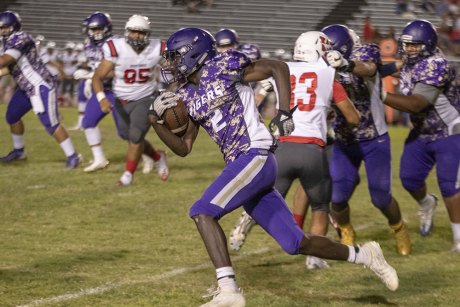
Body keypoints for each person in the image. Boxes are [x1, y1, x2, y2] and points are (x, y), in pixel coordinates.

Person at [149, 27, 398, 306]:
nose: (170, 63)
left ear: (192, 52)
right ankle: (365, 255)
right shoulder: (187, 94)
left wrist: (283, 112)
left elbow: (277, 67)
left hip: (254, 154)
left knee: (202, 211)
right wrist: (155, 122)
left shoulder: (221, 65)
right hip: (242, 163)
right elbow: (183, 148)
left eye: (174, 56)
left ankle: (229, 290)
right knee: (296, 244)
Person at [322, 24, 411, 255]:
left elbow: (369, 69)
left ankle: (399, 227)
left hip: (374, 138)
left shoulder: (364, 53)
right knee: (337, 197)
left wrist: (346, 64)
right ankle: (346, 230)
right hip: (344, 138)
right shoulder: (319, 63)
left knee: (380, 197)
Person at [381, 19, 460, 251]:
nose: (409, 49)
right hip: (421, 133)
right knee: (410, 179)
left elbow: (416, 104)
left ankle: (458, 239)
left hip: (448, 132)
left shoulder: (436, 64)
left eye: (414, 45)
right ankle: (427, 203)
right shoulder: (408, 61)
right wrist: (349, 67)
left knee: (449, 185)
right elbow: (380, 68)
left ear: (428, 44)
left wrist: (380, 95)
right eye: (406, 44)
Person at [92, 14, 168, 185]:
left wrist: (170, 88)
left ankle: (128, 175)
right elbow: (97, 78)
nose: (136, 35)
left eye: (140, 32)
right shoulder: (116, 47)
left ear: (147, 34)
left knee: (135, 137)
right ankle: (158, 156)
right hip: (120, 100)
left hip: (146, 97)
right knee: (131, 137)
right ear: (127, 32)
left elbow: (173, 70)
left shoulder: (158, 47)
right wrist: (102, 98)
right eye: (133, 32)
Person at [0, 11, 82, 168]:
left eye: (4, 28)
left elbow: (4, 61)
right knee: (12, 116)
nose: (1, 31)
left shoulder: (20, 38)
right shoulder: (6, 42)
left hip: (40, 86)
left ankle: (73, 156)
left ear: (14, 27)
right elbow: (10, 68)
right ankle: (19, 151)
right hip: (25, 88)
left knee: (51, 123)